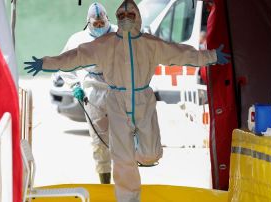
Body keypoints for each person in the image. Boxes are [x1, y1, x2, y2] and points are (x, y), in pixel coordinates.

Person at [24, 0, 230, 201]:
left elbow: (181, 53)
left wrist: (210, 56)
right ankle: (128, 198)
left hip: (143, 98)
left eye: (130, 15)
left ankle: (139, 154)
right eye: (121, 15)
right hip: (116, 101)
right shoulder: (105, 44)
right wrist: (46, 63)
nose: (125, 19)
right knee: (121, 158)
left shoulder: (150, 43)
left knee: (150, 153)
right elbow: (75, 56)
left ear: (138, 17)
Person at [59, 2, 117, 184]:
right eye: (96, 25)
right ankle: (105, 182)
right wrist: (75, 85)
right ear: (88, 23)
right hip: (93, 94)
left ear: (108, 19)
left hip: (119, 90)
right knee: (99, 143)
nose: (100, 28)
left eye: (103, 24)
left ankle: (126, 183)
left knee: (124, 140)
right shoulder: (78, 40)